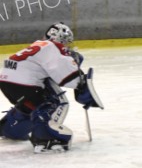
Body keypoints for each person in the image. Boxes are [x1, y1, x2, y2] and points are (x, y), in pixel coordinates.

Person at [0, 22, 102, 153]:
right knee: (53, 102)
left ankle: (10, 129)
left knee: (30, 105)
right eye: (66, 42)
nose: (66, 46)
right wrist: (80, 80)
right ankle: (47, 139)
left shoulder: (39, 45)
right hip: (25, 83)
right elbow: (67, 77)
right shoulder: (53, 46)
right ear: (60, 38)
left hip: (6, 81)